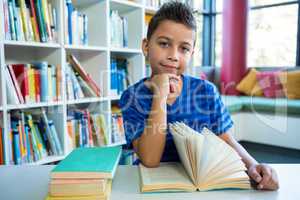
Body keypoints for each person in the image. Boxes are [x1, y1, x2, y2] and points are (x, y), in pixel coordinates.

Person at [119, 1, 279, 190]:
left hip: (201, 185)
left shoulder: (206, 91)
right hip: (152, 187)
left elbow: (226, 140)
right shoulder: (132, 97)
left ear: (191, 53)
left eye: (184, 48)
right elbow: (150, 160)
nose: (174, 56)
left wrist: (253, 165)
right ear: (146, 47)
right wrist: (160, 97)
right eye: (164, 44)